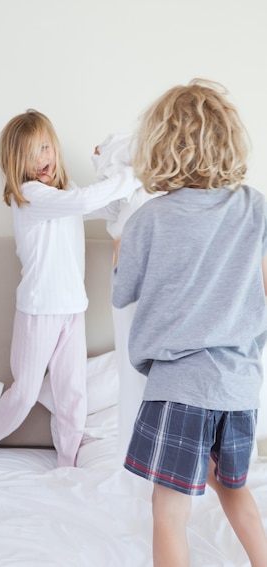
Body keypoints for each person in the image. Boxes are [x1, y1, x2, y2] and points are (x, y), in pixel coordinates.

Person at [112, 79, 267, 566]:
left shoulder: (148, 220)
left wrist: (120, 247)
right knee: (235, 491)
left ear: (159, 146)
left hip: (179, 387)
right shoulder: (259, 208)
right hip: (240, 386)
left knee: (169, 513)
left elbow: (122, 292)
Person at [0, 109, 141, 466]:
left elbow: (100, 208)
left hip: (74, 308)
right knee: (25, 391)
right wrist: (130, 175)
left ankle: (68, 461)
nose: (42, 159)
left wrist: (116, 175)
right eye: (31, 155)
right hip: (39, 311)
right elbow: (83, 203)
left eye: (45, 147)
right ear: (18, 165)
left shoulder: (67, 193)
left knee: (72, 392)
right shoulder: (28, 196)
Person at [89, 133, 161, 462]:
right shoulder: (127, 191)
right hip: (133, 283)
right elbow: (81, 203)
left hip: (156, 280)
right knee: (133, 374)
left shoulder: (156, 192)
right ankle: (141, 453)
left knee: (154, 375)